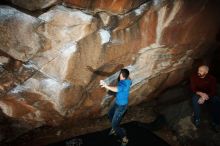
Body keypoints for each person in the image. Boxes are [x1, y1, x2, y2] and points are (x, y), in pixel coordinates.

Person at [100, 68, 132, 145]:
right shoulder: (128, 80)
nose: (119, 74)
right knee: (110, 114)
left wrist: (106, 86)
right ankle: (115, 128)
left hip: (121, 106)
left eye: (120, 73)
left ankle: (124, 138)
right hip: (117, 103)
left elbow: (117, 89)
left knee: (115, 125)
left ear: (122, 75)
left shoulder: (123, 84)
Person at [190, 65, 220, 132]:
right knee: (195, 99)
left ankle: (216, 122)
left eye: (201, 71)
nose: (198, 72)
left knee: (217, 100)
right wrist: (201, 94)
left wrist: (204, 97)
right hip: (198, 93)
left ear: (206, 72)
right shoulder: (194, 77)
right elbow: (193, 89)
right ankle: (197, 118)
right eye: (198, 70)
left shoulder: (212, 79)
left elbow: (213, 91)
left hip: (209, 95)